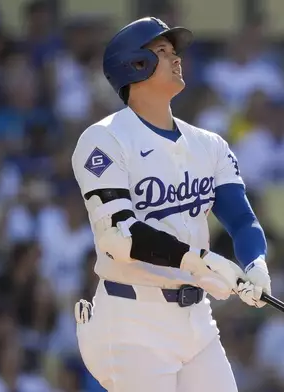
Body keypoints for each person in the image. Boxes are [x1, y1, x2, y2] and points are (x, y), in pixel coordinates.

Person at [70, 17, 271, 392]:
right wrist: (202, 260)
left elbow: (242, 220)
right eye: (162, 51)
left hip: (196, 319)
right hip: (131, 317)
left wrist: (255, 263)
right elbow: (120, 237)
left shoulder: (209, 144)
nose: (175, 57)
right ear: (135, 65)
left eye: (174, 50)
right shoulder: (104, 139)